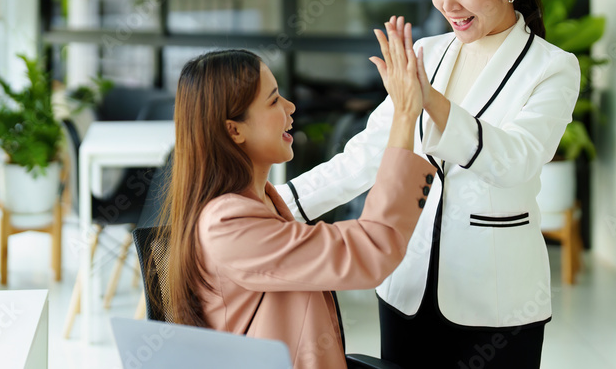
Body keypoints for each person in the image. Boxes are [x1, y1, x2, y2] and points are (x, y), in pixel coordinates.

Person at [277, 0, 581, 369]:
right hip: (408, 284)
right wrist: (276, 206)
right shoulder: (426, 53)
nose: (448, 4)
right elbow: (367, 156)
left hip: (496, 299)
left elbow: (516, 161)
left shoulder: (552, 67)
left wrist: (429, 100)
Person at [154, 31, 436, 369]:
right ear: (234, 130)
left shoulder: (250, 203)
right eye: (273, 101)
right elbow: (370, 250)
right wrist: (405, 115)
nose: (290, 107)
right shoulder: (228, 224)